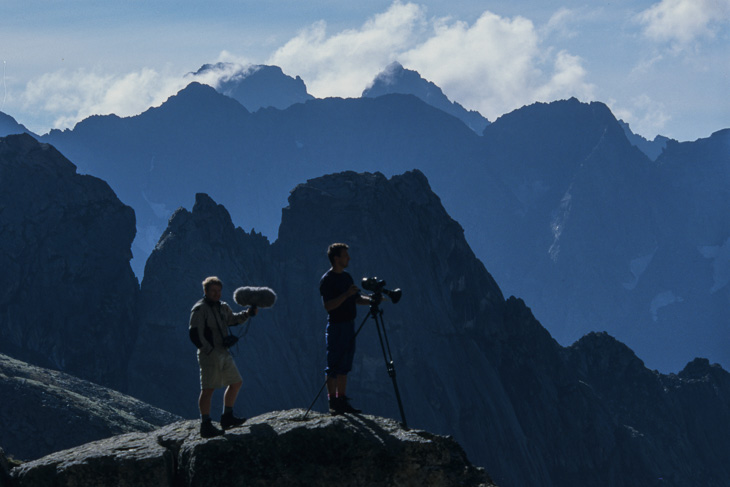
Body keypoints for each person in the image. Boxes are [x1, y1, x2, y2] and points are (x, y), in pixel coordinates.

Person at [189, 276, 257, 438]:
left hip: (223, 351)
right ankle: (205, 424)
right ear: (205, 291)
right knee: (208, 389)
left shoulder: (222, 307)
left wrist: (248, 313)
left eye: (218, 291)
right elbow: (194, 334)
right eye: (213, 291)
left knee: (236, 382)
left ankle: (227, 417)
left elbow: (232, 320)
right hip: (210, 354)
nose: (216, 294)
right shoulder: (199, 309)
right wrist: (208, 350)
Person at [319, 243, 377, 415]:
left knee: (345, 364)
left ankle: (342, 399)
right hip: (336, 326)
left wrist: (372, 300)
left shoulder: (347, 277)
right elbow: (328, 306)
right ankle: (333, 402)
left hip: (349, 324)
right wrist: (346, 295)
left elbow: (356, 298)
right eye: (345, 255)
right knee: (334, 364)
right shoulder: (327, 280)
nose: (348, 258)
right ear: (336, 258)